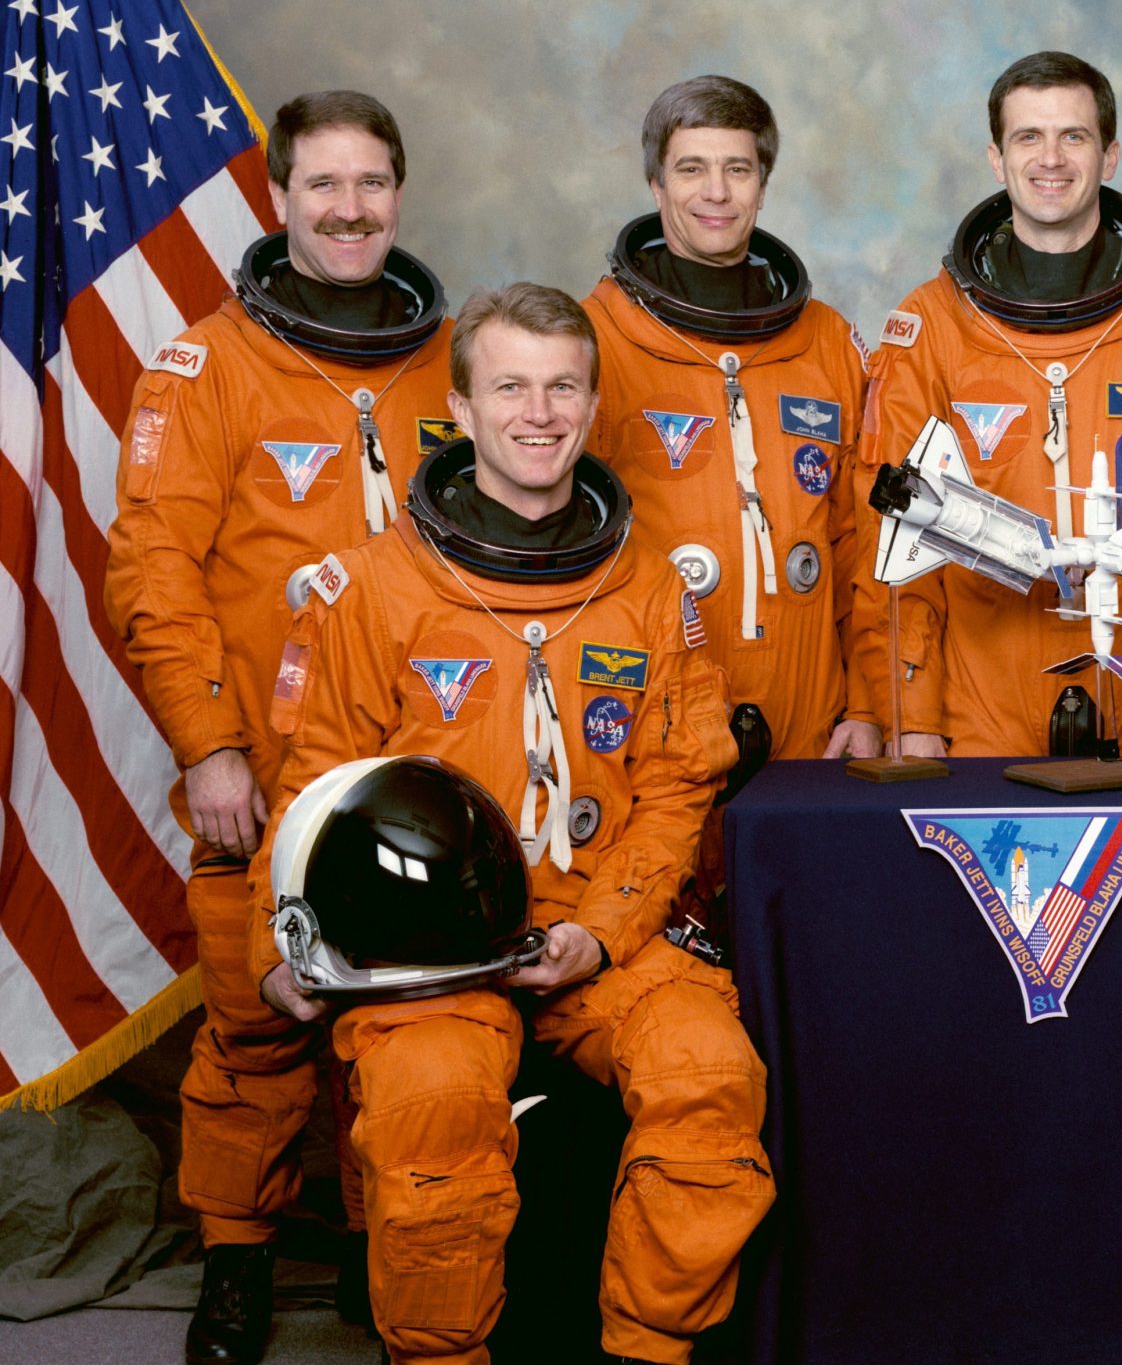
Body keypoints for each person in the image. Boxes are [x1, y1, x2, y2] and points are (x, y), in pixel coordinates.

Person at [250, 285, 765, 1365]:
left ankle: (648, 1350)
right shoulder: (375, 591)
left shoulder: (651, 594)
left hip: (596, 927)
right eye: (511, 387)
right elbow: (310, 791)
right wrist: (278, 948)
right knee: (434, 1108)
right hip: (421, 948)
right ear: (463, 409)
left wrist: (603, 932)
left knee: (707, 1077)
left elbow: (678, 788)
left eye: (563, 386)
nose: (540, 412)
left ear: (590, 402)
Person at [104, 90, 453, 1365]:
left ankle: (380, 1251)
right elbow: (151, 570)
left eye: (371, 186)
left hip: (422, 769)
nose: (349, 210)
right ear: (278, 200)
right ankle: (237, 1267)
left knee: (406, 1024)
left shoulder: (454, 363)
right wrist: (206, 744)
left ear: (399, 197)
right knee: (255, 1036)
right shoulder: (208, 366)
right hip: (262, 766)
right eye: (323, 187)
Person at [855, 51, 1122, 758]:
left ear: (1110, 156)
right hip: (979, 711)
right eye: (1028, 137)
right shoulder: (932, 326)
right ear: (996, 157)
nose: (1051, 158)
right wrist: (909, 714)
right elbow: (894, 534)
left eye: (1073, 136)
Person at [586, 75, 877, 770]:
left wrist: (869, 704)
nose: (716, 192)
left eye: (737, 169)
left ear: (763, 184)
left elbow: (861, 544)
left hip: (810, 721)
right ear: (656, 185)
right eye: (692, 168)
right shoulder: (594, 341)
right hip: (655, 721)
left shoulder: (829, 342)